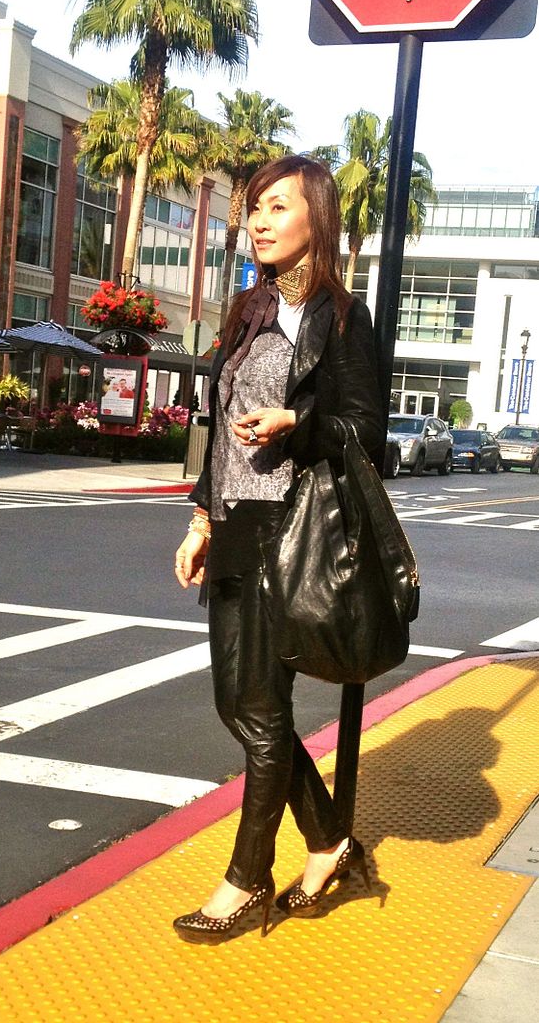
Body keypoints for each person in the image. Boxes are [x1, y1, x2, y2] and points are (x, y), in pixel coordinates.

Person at [172, 155, 383, 945]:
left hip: (291, 531)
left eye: (277, 207)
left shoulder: (340, 317)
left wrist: (300, 424)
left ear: (315, 218)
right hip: (236, 526)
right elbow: (220, 430)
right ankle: (328, 841)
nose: (259, 222)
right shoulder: (248, 310)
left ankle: (246, 877)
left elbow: (369, 436)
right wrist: (201, 521)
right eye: (254, 208)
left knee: (261, 713)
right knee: (239, 707)